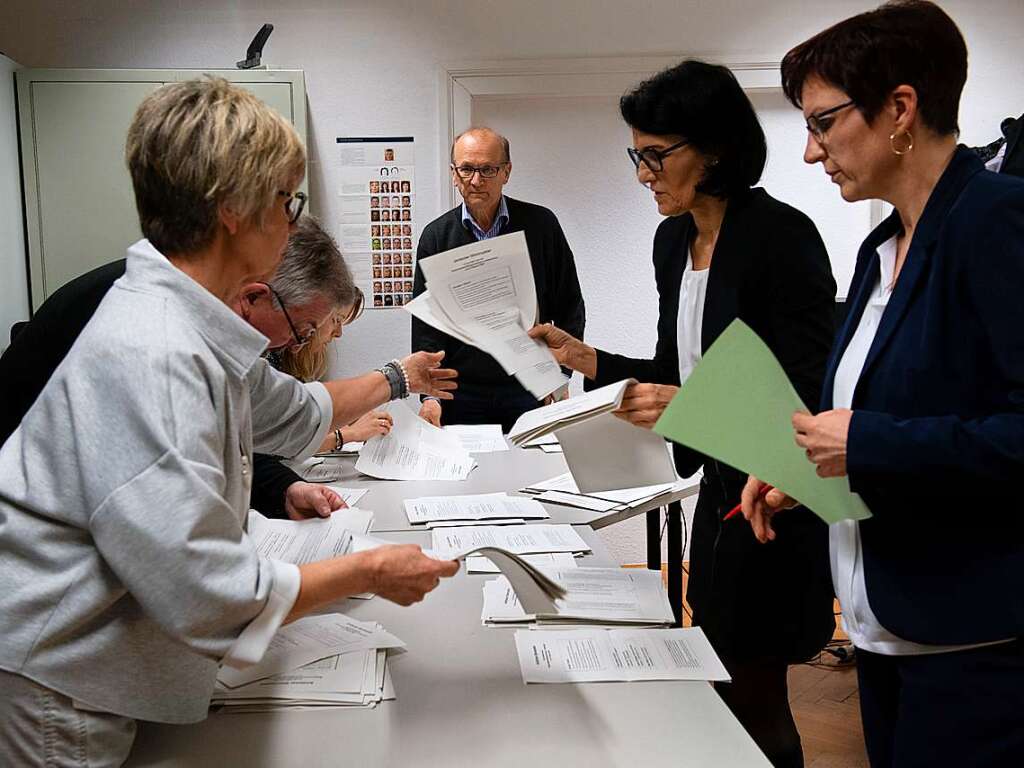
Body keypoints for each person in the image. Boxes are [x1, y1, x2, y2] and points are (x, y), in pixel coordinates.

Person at [0, 77, 460, 764]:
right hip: (62, 680)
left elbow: (293, 413)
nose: (293, 218)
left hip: (102, 650)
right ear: (234, 211)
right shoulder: (153, 347)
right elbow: (204, 592)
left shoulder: (195, 317)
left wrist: (396, 376)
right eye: (286, 200)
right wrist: (366, 572)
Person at [529, 60, 837, 767]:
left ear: (717, 148)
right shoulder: (674, 242)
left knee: (757, 695)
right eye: (637, 154)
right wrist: (590, 360)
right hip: (719, 491)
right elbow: (679, 374)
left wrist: (688, 406)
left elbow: (805, 390)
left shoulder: (781, 237)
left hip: (775, 497)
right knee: (723, 681)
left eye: (657, 154)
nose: (643, 173)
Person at [740, 3, 1024, 766]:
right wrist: (814, 470)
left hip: (978, 641)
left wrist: (863, 440)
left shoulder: (998, 222)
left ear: (901, 108)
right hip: (883, 628)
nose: (810, 152)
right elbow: (904, 420)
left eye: (823, 123)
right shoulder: (880, 247)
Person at [412, 127, 586, 430]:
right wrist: (430, 398)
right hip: (460, 391)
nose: (476, 181)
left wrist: (562, 375)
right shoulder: (436, 237)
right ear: (454, 173)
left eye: (487, 170)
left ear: (506, 172)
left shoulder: (541, 226)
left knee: (533, 470)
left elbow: (570, 307)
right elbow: (427, 328)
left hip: (530, 385)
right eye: (466, 169)